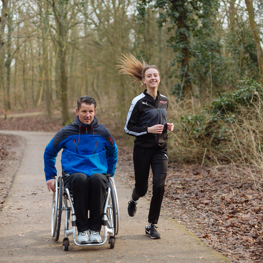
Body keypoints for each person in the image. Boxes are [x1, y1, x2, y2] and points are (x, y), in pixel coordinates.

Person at [44, 95, 118, 244]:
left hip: (98, 173)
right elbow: (49, 152)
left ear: (95, 111)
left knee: (98, 179)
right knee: (80, 179)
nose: (87, 115)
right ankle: (83, 230)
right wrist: (50, 176)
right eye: (84, 111)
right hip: (74, 175)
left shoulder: (102, 132)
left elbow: (113, 151)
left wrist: (110, 172)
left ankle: (95, 230)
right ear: (77, 111)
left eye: (90, 111)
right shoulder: (66, 132)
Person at [118, 54, 174, 239]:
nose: (153, 78)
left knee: (159, 185)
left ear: (159, 78)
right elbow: (128, 128)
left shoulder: (165, 100)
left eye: (155, 75)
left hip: (160, 150)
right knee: (142, 188)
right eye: (149, 76)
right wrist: (148, 130)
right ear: (143, 80)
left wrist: (168, 126)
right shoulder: (138, 102)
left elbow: (161, 121)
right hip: (142, 150)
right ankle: (134, 199)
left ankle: (151, 224)